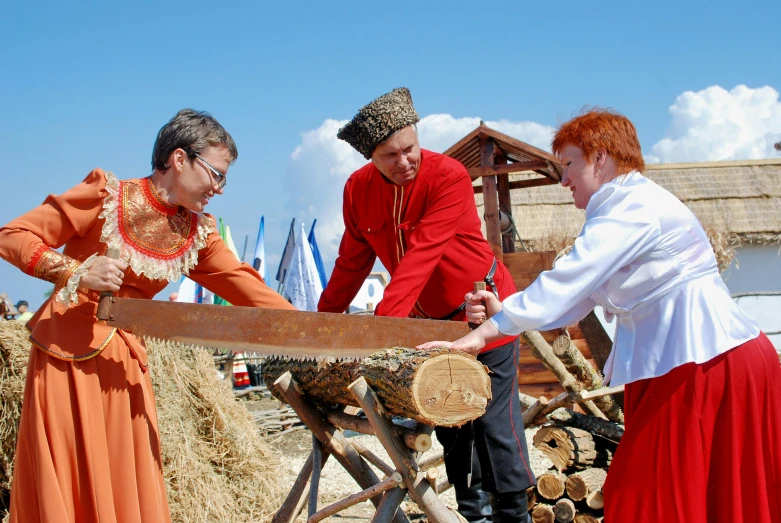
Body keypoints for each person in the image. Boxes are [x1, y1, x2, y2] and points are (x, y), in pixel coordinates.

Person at [419, 108, 781, 522]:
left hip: (710, 364)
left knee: (657, 496)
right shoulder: (622, 209)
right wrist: (505, 314)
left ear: (600, 158)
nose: (564, 179)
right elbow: (579, 295)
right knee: (667, 495)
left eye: (570, 164)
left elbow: (572, 278)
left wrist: (482, 335)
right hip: (693, 364)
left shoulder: (632, 205)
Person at [0, 109, 294, 523]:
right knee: (69, 480)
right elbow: (12, 236)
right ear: (179, 159)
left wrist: (324, 330)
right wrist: (77, 271)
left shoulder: (198, 233)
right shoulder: (105, 194)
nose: (220, 188)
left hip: (125, 364)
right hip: (66, 359)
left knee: (126, 479)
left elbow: (252, 290)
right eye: (216, 173)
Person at [318, 88, 535, 523]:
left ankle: (515, 515)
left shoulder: (448, 175)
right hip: (428, 327)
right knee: (453, 424)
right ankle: (474, 516)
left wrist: (382, 336)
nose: (405, 162)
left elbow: (421, 255)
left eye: (410, 149)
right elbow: (350, 263)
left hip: (481, 313)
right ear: (371, 158)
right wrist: (321, 328)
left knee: (495, 424)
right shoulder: (357, 190)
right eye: (391, 155)